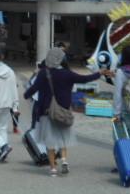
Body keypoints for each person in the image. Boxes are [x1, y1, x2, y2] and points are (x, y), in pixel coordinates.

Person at [24, 47, 111, 176]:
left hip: (47, 111)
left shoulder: (43, 73)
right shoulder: (68, 74)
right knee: (63, 139)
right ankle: (64, 161)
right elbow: (85, 79)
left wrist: (26, 95)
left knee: (50, 141)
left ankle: (53, 169)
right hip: (63, 112)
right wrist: (100, 73)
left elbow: (34, 88)